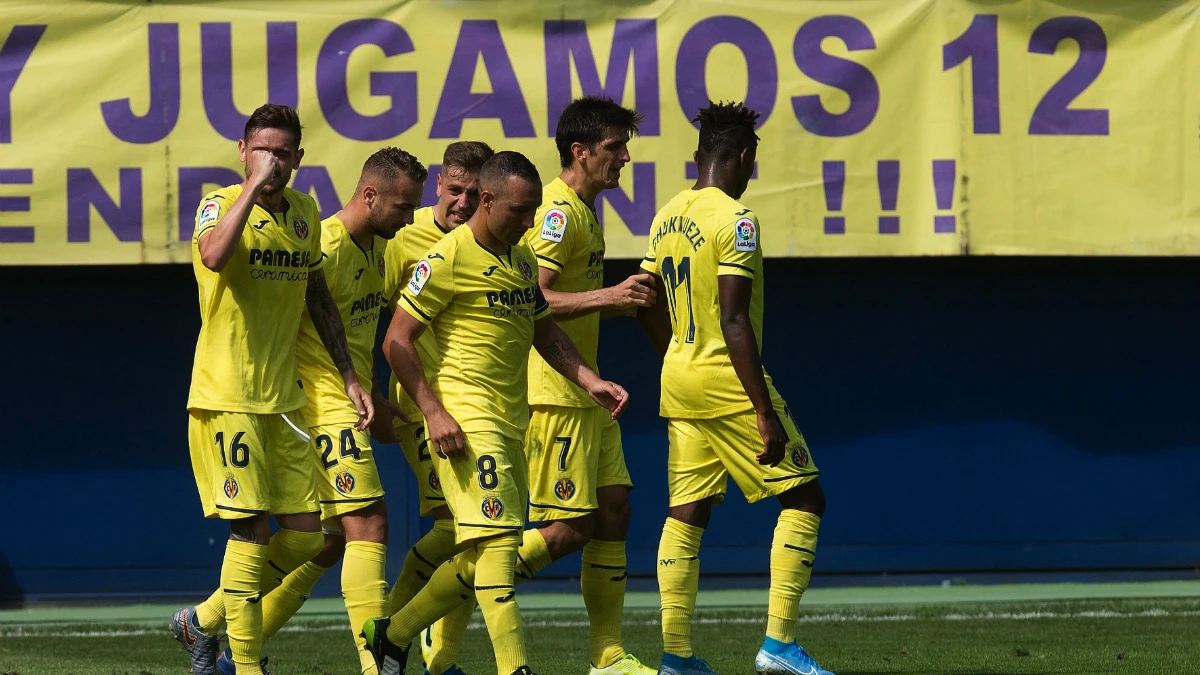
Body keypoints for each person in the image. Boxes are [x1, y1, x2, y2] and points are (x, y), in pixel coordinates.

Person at [363, 151, 629, 675]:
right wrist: (434, 412)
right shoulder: (446, 257)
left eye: (533, 211)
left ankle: (391, 635)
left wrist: (589, 379)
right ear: (487, 200)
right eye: (520, 211)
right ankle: (515, 668)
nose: (530, 221)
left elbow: (544, 331)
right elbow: (398, 340)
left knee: (477, 555)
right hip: (465, 418)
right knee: (499, 548)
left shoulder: (521, 261)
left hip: (511, 420)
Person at [170, 103, 374, 675]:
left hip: (283, 401)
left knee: (309, 539)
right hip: (226, 396)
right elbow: (213, 255)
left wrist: (349, 375)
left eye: (282, 153)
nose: (272, 161)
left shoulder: (306, 213)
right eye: (262, 150)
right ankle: (248, 665)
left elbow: (318, 296)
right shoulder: (218, 204)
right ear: (242, 151)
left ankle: (201, 621)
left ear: (299, 159)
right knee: (251, 530)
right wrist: (252, 188)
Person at [636, 101, 834, 675]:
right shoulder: (736, 219)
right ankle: (778, 644)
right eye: (754, 161)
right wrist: (762, 410)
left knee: (686, 511)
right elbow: (735, 319)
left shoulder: (667, 214)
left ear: (699, 155)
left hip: (679, 377)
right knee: (804, 496)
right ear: (742, 156)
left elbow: (643, 296)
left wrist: (674, 352)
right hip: (724, 379)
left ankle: (675, 657)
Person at [232, 147, 425, 675]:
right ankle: (376, 663)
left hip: (346, 400)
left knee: (326, 542)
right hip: (317, 404)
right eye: (403, 207)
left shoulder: (374, 248)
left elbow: (356, 334)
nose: (408, 218)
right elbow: (287, 322)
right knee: (369, 522)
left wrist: (372, 393)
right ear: (369, 195)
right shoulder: (331, 243)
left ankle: (215, 630)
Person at [376, 140, 494, 675]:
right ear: (439, 185)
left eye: (475, 193)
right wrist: (362, 388)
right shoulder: (403, 240)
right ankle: (393, 635)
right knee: (462, 531)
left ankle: (422, 651)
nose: (463, 203)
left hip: (479, 409)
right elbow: (364, 316)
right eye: (454, 190)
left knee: (473, 535)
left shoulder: (493, 241)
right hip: (423, 409)